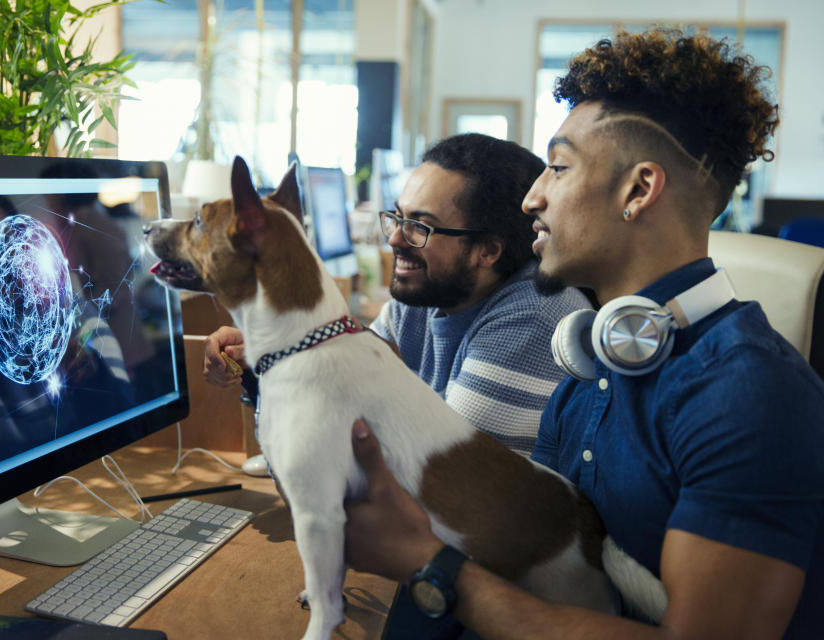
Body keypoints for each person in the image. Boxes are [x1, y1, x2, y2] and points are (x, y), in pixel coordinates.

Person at [343, 28, 824, 639]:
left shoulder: (750, 394)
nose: (531, 198)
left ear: (639, 190)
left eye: (558, 167)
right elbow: (532, 556)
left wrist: (425, 563)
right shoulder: (590, 367)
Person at [204, 133, 591, 456]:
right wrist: (261, 364)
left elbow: (432, 475)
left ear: (488, 250)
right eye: (398, 216)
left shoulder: (534, 317)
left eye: (420, 227)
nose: (394, 238)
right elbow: (339, 412)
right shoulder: (422, 299)